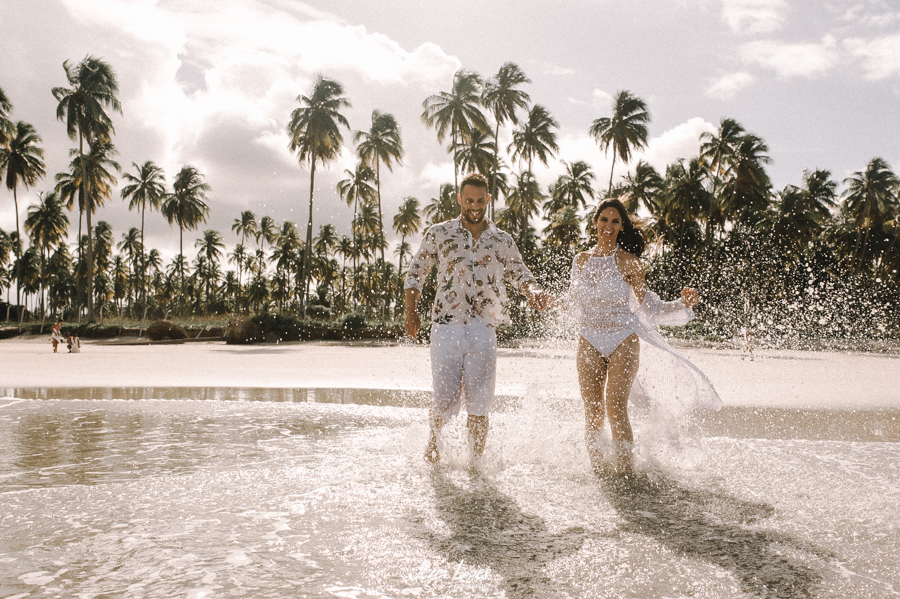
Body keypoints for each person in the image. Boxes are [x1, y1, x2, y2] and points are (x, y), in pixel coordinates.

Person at [405, 172, 554, 463]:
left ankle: (475, 464)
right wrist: (411, 311)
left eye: (479, 201)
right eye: (468, 200)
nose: (474, 206)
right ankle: (433, 445)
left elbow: (521, 274)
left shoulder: (501, 239)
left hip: (483, 327)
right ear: (460, 199)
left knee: (479, 403)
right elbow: (415, 272)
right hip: (446, 326)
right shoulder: (439, 232)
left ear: (488, 200)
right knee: (444, 399)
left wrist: (533, 291)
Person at [570, 199, 721, 477]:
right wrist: (545, 300)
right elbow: (572, 304)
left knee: (615, 407)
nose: (609, 226)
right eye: (604, 219)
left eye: (615, 222)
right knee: (592, 412)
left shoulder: (629, 262)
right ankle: (601, 474)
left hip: (622, 339)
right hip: (589, 338)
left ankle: (626, 476)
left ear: (621, 226)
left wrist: (681, 304)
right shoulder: (580, 261)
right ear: (595, 222)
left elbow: (650, 308)